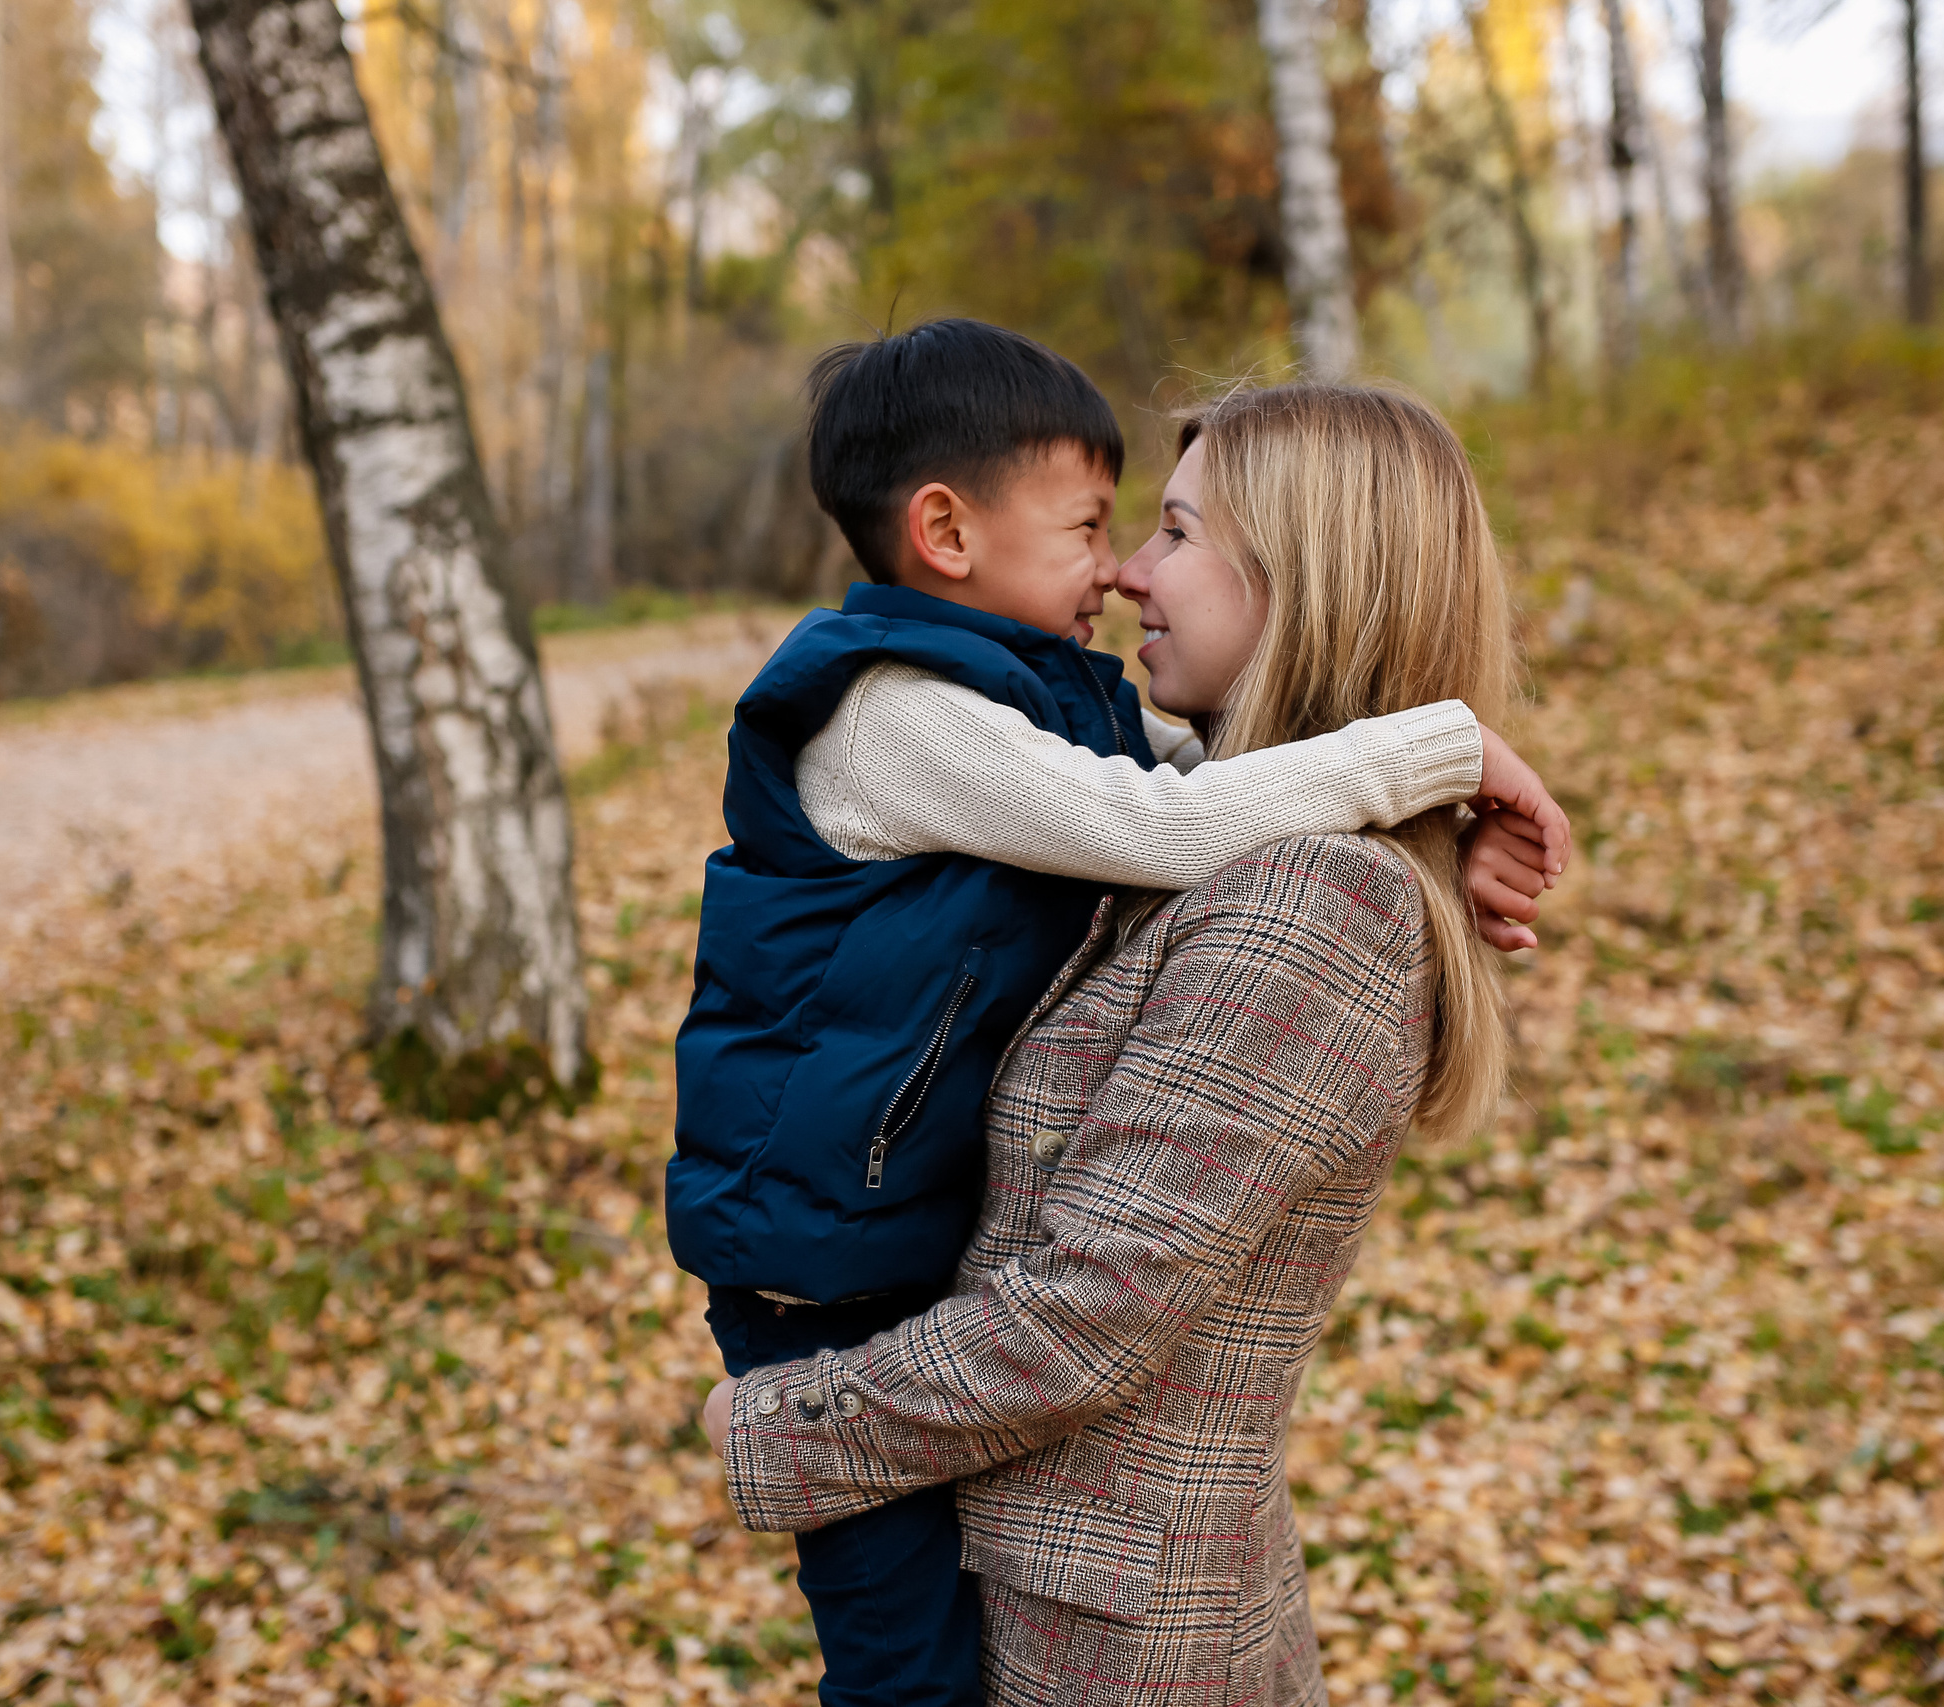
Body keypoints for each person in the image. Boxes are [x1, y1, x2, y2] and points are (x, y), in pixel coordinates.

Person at [668, 328, 1565, 1707]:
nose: (1130, 570)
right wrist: (1436, 793)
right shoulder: (1174, 829)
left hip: (1113, 1652)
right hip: (1056, 1595)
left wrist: (775, 1424)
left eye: (1173, 531)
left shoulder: (1304, 905)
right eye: (1116, 527)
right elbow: (1176, 807)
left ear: (1308, 575)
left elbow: (1086, 1318)